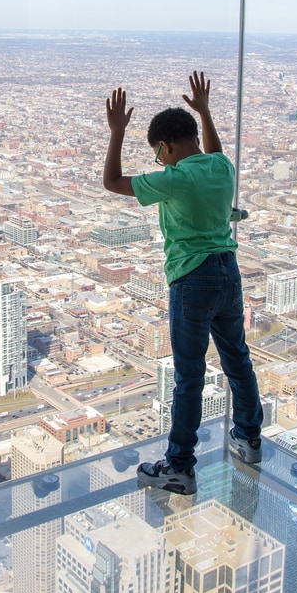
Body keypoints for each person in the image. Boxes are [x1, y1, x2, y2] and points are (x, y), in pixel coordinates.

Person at [103, 71, 263, 495]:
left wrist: (117, 132)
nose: (160, 161)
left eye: (159, 154)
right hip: (229, 272)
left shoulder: (175, 178)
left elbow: (112, 182)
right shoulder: (221, 167)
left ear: (165, 146)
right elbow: (213, 148)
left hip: (191, 279)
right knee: (238, 359)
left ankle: (179, 466)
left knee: (189, 376)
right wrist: (206, 111)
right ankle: (249, 438)